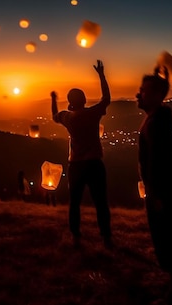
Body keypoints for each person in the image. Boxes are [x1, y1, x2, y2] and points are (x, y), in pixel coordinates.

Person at [136, 65, 172, 304]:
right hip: (164, 188)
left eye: (144, 91)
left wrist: (157, 195)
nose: (138, 95)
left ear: (157, 96)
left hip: (162, 190)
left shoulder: (158, 121)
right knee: (169, 235)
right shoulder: (158, 117)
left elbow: (161, 160)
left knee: (168, 236)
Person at [51, 59, 112, 248]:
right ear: (84, 100)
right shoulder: (92, 114)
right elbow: (106, 99)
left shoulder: (67, 117)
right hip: (94, 163)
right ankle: (106, 235)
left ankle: (76, 234)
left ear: (70, 103)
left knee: (74, 202)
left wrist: (53, 99)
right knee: (100, 201)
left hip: (76, 165)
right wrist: (101, 75)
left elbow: (54, 116)